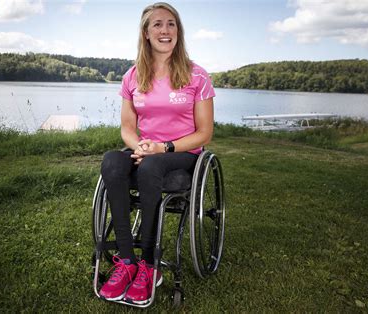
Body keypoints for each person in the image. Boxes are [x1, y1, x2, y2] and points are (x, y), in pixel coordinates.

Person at [99, 2, 215, 304]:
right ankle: (126, 262)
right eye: (158, 25)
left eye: (171, 24)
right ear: (146, 33)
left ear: (178, 31)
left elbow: (205, 133)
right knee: (112, 161)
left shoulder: (196, 76)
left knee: (151, 168)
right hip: (146, 150)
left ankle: (149, 265)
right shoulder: (133, 76)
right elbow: (127, 126)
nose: (166, 30)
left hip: (182, 153)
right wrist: (139, 146)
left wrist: (162, 147)